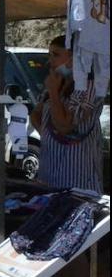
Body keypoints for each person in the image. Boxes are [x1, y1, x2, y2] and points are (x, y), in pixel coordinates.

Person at [30, 35, 104, 194]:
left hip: (77, 179)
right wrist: (49, 135)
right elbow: (35, 115)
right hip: (49, 174)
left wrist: (54, 93)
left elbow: (64, 126)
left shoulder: (89, 87)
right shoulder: (58, 82)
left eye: (56, 55)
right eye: (49, 55)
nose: (50, 61)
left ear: (74, 58)